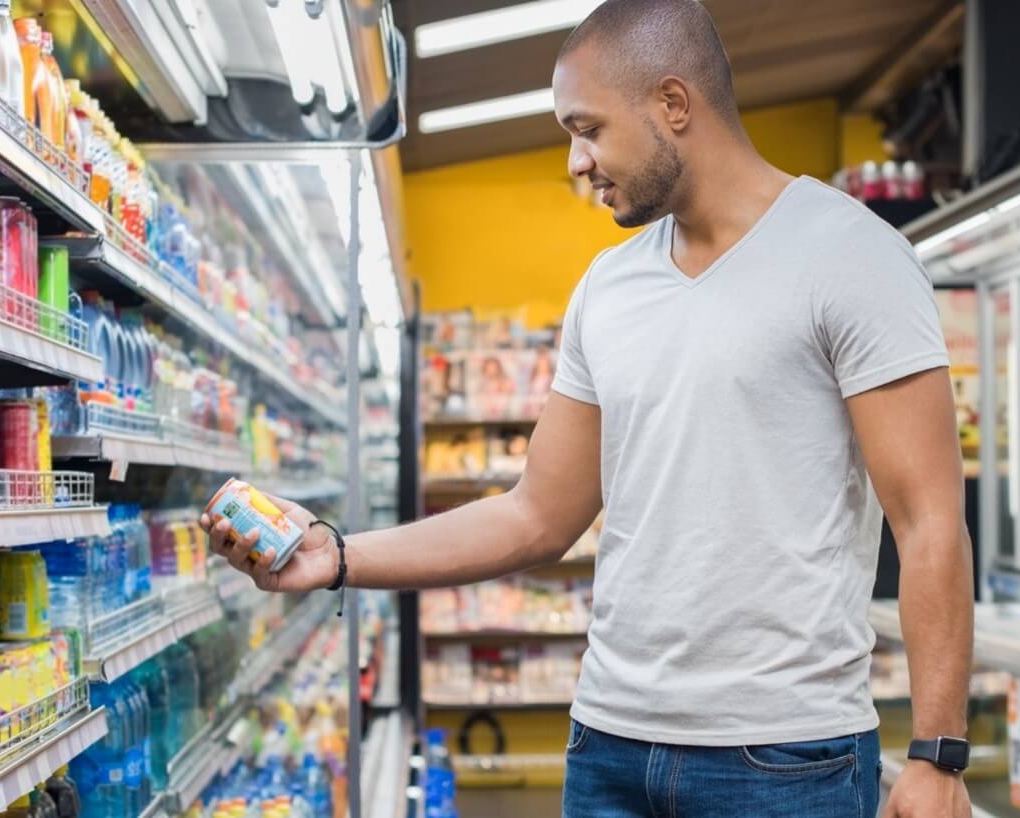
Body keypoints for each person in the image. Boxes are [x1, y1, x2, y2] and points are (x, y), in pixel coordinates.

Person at [200, 1, 974, 816]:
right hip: (607, 743)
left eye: (589, 129)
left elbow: (927, 518)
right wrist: (339, 554)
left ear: (674, 105)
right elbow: (535, 515)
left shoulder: (850, 255)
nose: (576, 162)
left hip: (781, 756)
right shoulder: (609, 286)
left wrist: (937, 754)